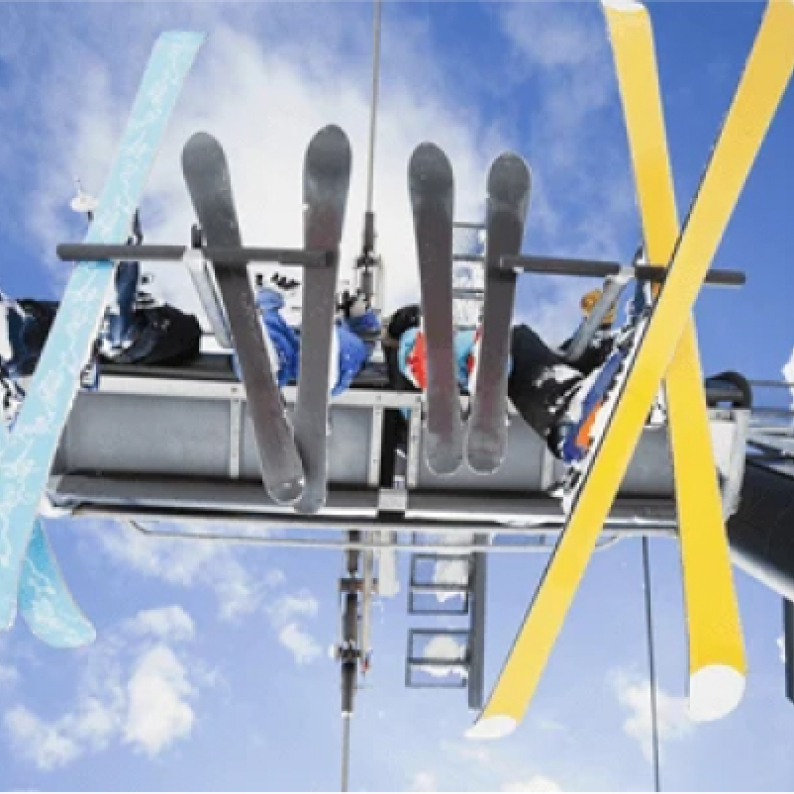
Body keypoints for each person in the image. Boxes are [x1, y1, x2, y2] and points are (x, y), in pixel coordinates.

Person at [384, 282, 639, 465]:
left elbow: (552, 363)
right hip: (442, 398)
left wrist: (593, 330)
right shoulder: (411, 342)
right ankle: (565, 408)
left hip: (463, 385)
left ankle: (616, 356)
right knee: (517, 341)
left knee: (532, 356)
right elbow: (419, 358)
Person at [0, 213, 202, 424]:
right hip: (47, 332)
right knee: (113, 336)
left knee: (113, 336)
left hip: (43, 331)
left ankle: (124, 248)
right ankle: (124, 247)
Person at [246, 274, 381, 396]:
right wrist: (361, 314)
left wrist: (360, 314)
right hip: (334, 350)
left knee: (284, 342)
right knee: (284, 340)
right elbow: (369, 336)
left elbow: (369, 336)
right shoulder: (352, 337)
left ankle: (266, 359)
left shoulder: (349, 336)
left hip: (335, 352)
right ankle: (267, 356)